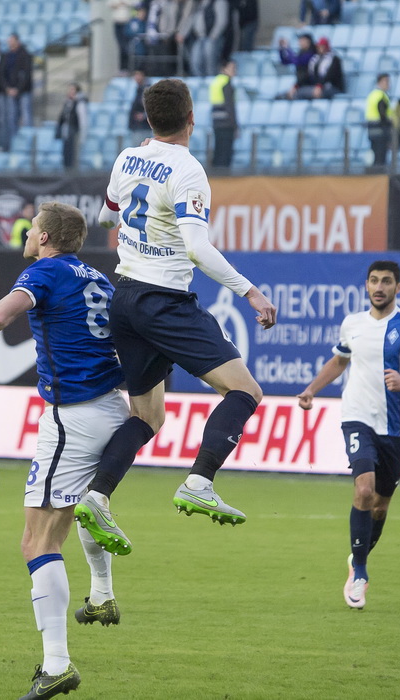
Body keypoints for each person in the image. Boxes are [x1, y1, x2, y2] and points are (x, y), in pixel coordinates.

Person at [0, 202, 129, 700]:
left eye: (32, 229)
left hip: (72, 415)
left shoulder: (45, 271)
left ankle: (56, 663)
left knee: (37, 542)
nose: (27, 234)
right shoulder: (98, 279)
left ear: (47, 237)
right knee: (81, 509)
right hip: (113, 409)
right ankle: (101, 594)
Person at [75, 78, 277, 555]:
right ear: (191, 118)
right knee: (246, 390)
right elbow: (195, 247)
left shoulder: (127, 158)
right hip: (164, 299)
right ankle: (200, 481)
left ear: (148, 119)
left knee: (147, 414)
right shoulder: (188, 171)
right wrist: (249, 290)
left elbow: (106, 218)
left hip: (124, 296)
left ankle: (97, 495)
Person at [297, 261, 400, 609]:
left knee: (379, 507)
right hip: (357, 417)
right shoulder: (353, 323)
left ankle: (358, 555)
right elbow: (340, 360)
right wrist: (311, 390)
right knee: (363, 488)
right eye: (374, 281)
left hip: (397, 427)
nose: (379, 287)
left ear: (399, 288)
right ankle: (361, 572)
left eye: (387, 282)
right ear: (366, 285)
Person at [177, 0, 229, 78]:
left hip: (212, 38)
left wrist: (213, 36)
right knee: (195, 60)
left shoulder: (219, 2)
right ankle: (199, 81)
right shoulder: (199, 4)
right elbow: (191, 19)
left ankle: (211, 79)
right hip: (200, 37)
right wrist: (182, 34)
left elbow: (222, 21)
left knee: (210, 60)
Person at [3, 33, 33, 146]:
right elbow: (2, 73)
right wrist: (7, 88)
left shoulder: (25, 55)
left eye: (12, 40)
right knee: (11, 117)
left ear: (17, 41)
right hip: (10, 91)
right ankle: (14, 143)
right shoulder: (6, 56)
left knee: (26, 117)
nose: (10, 43)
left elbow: (26, 75)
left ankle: (28, 143)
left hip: (23, 91)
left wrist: (18, 89)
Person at [209, 59, 238, 168]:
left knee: (218, 150)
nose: (234, 71)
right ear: (224, 69)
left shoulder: (216, 81)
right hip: (227, 123)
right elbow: (230, 107)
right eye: (232, 68)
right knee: (225, 154)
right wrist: (235, 125)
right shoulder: (227, 83)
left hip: (216, 121)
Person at [55, 82, 88, 171]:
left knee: (73, 153)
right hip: (66, 131)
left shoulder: (79, 103)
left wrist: (82, 135)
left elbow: (82, 120)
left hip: (74, 131)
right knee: (66, 152)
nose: (70, 92)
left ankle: (72, 169)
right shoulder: (68, 103)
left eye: (72, 89)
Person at [365, 73, 392, 167]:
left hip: (371, 130)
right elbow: (383, 115)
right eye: (386, 81)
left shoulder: (372, 95)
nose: (388, 84)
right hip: (381, 130)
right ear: (379, 82)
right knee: (380, 159)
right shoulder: (381, 96)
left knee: (375, 157)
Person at [128, 69, 151, 142]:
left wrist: (144, 116)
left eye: (138, 75)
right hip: (136, 126)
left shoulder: (147, 89)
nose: (136, 77)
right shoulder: (138, 89)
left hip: (143, 127)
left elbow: (152, 107)